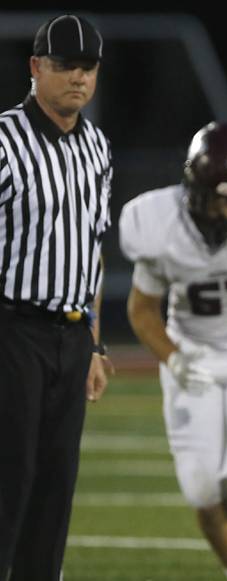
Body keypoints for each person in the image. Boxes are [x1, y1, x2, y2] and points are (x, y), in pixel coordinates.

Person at [119, 121, 227, 581]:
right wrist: (173, 358)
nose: (224, 208)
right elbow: (142, 309)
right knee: (201, 489)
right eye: (218, 196)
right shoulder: (157, 223)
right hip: (191, 350)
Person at [0, 14, 113, 581]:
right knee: (8, 484)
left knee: (55, 491)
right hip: (12, 331)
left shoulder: (96, 147)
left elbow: (91, 249)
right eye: (66, 65)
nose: (78, 78)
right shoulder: (3, 140)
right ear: (36, 67)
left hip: (71, 337)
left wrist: (93, 345)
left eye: (87, 67)